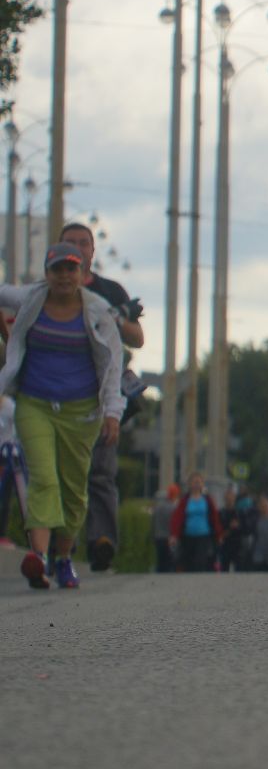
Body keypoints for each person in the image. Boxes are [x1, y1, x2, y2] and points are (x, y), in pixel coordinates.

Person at [1, 241, 128, 590]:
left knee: (74, 489)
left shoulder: (97, 310)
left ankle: (63, 558)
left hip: (81, 410)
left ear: (83, 275)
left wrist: (113, 412)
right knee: (43, 478)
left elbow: (113, 365)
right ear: (47, 273)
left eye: (71, 269)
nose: (64, 276)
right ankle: (38, 559)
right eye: (57, 269)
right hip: (34, 404)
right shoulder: (32, 299)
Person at [57, 222, 143, 574]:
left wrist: (117, 319)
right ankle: (64, 543)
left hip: (103, 392)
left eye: (83, 243)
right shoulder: (48, 288)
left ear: (92, 252)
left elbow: (137, 338)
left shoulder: (110, 290)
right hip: (60, 391)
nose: (77, 248)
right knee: (62, 472)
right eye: (70, 243)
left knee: (102, 473)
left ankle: (102, 543)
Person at [169, 475, 222, 573]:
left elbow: (214, 517)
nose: (197, 484)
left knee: (200, 561)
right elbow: (177, 518)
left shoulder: (207, 500)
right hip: (188, 536)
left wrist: (219, 535)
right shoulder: (185, 500)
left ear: (202, 484)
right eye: (194, 482)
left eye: (199, 482)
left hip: (203, 535)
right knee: (188, 562)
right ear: (189, 485)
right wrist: (174, 535)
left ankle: (198, 583)